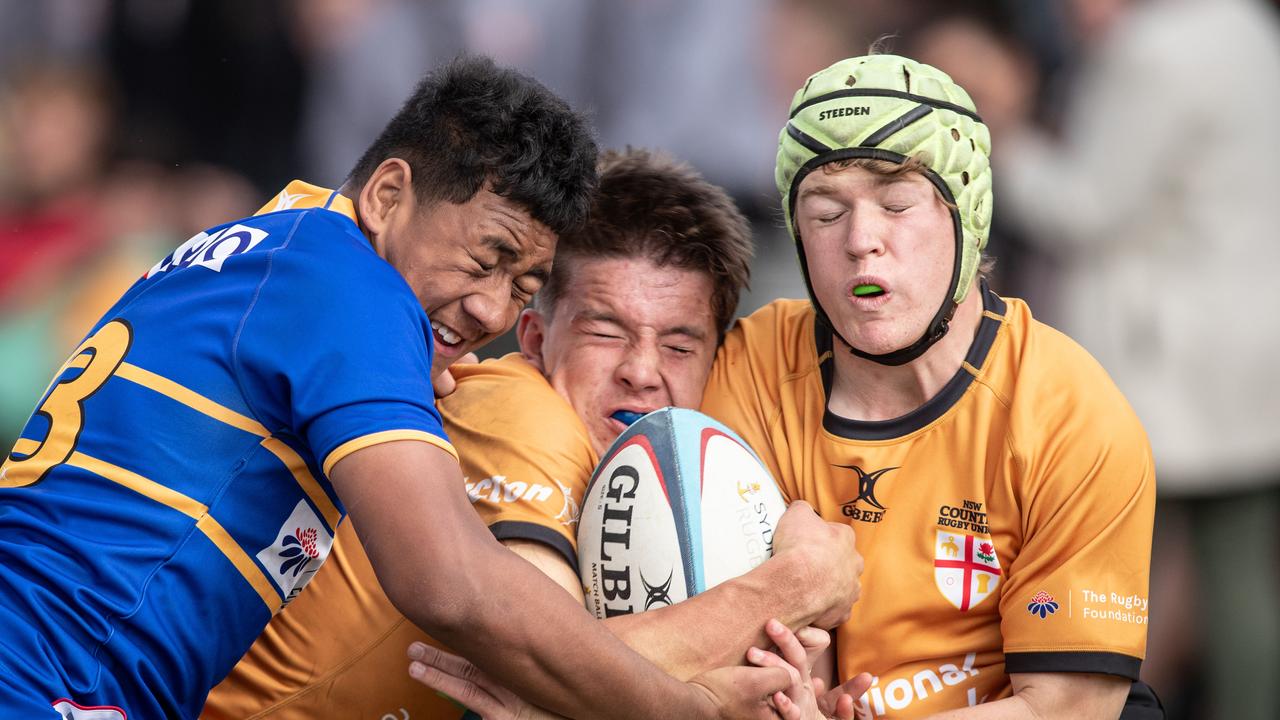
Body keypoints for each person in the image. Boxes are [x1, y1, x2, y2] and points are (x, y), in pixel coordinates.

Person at [0, 58, 804, 720]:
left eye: (525, 286)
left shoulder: (283, 242)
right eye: (486, 257)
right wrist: (687, 709)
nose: (493, 308)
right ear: (388, 195)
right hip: (41, 678)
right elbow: (452, 586)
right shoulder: (352, 288)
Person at [415, 53, 1164, 719]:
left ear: (967, 213)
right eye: (826, 211)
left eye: (898, 204)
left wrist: (547, 696)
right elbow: (733, 628)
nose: (861, 238)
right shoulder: (754, 364)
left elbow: (1069, 705)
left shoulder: (1069, 412)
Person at [202, 147, 862, 718]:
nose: (640, 372)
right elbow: (548, 666)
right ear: (536, 340)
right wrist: (795, 585)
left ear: (716, 364)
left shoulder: (686, 474)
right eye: (606, 331)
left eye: (679, 346)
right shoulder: (518, 407)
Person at [988, 1, 1280, 717]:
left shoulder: (1154, 52)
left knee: (1108, 584)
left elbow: (1085, 205)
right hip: (1247, 349)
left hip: (1166, 361)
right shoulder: (1246, 24)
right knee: (1237, 575)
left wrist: (997, 137)